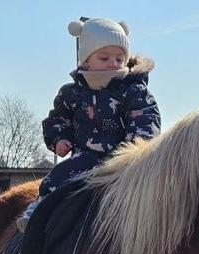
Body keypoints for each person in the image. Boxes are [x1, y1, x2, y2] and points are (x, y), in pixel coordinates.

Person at [17, 17, 161, 231]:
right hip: (84, 157)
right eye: (104, 58)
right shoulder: (72, 93)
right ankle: (39, 209)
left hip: (122, 160)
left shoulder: (133, 91)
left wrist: (135, 150)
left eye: (120, 58)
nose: (113, 63)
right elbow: (57, 119)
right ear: (86, 61)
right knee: (58, 176)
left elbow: (146, 120)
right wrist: (59, 139)